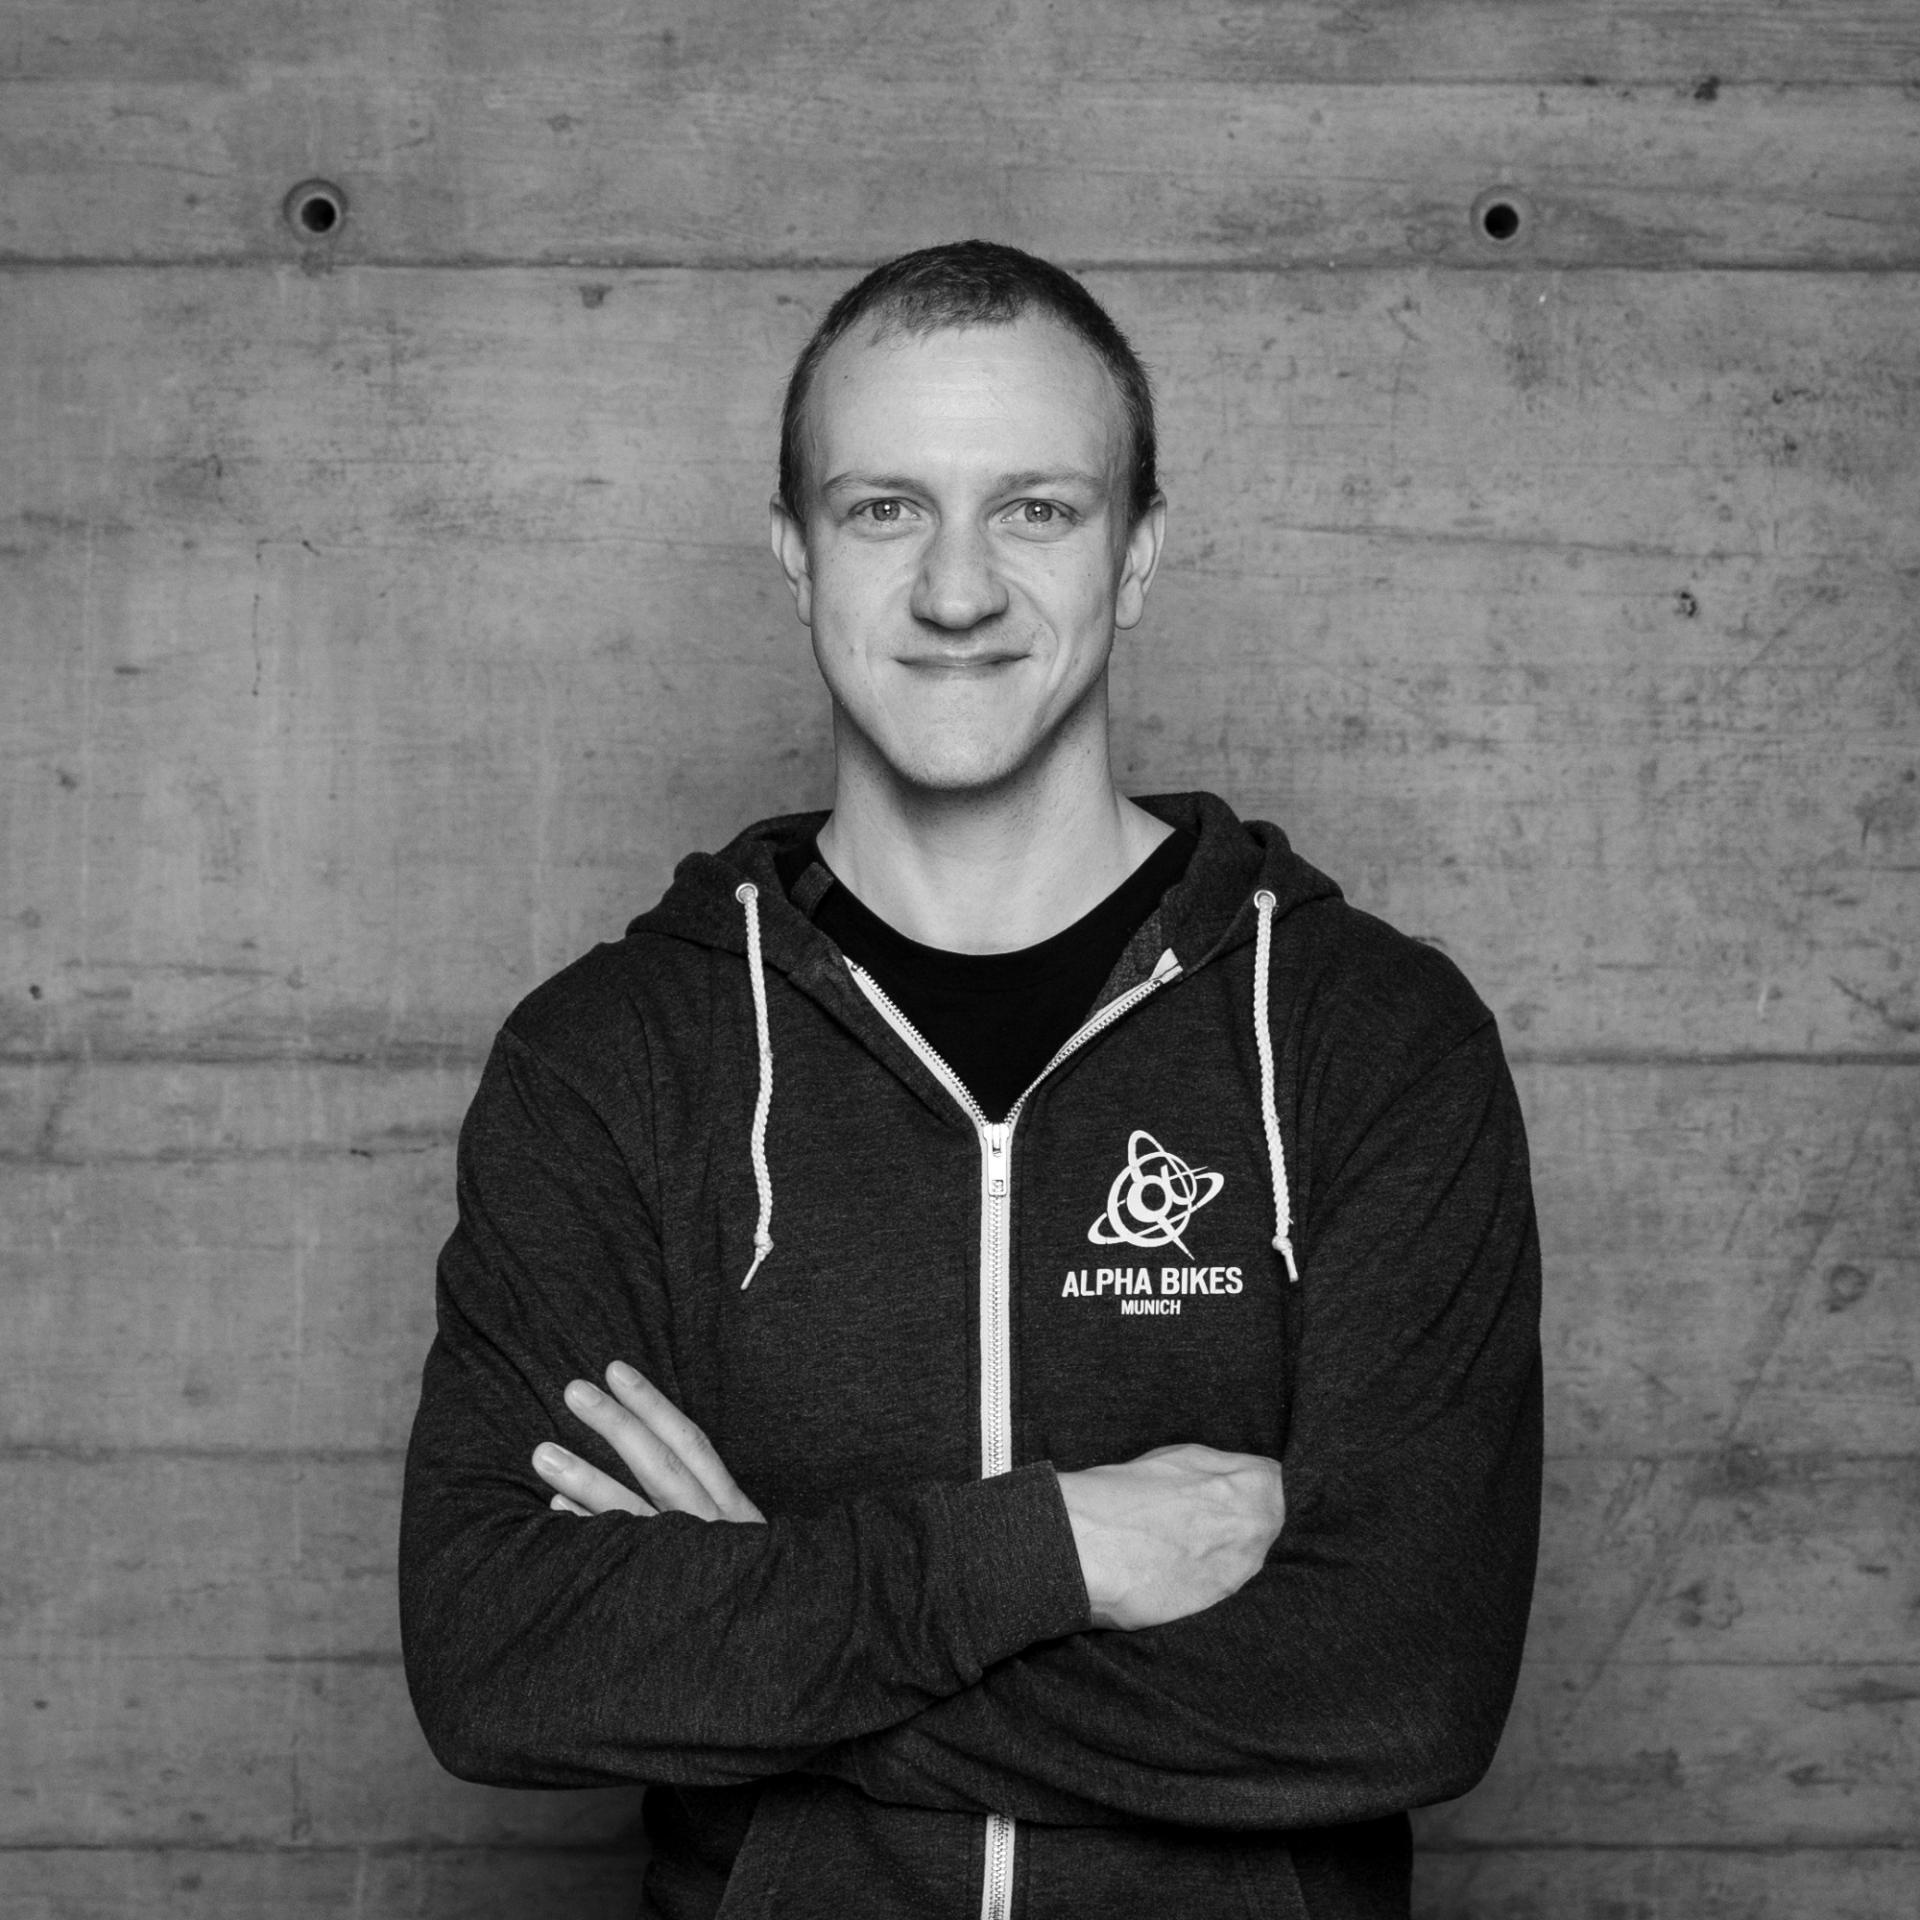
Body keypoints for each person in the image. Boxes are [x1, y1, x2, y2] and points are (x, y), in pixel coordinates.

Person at [400, 239, 1542, 1920]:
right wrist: (1052, 1552)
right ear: (793, 554)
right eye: (884, 510)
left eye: (1036, 511)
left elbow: (1401, 1685)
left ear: (1137, 554)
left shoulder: (1368, 1040)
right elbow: (498, 1657)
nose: (957, 590)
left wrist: (748, 1625)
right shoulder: (614, 1062)